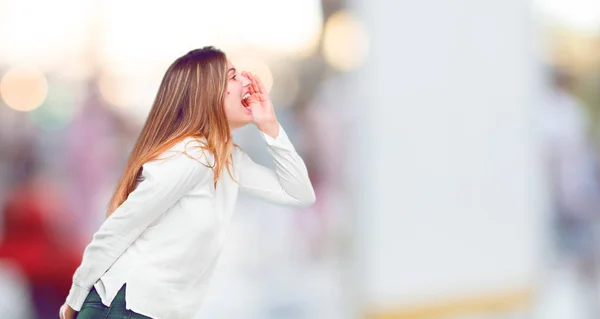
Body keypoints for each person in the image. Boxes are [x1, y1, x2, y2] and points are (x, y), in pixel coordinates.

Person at [59, 46, 316, 319]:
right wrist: (74, 301)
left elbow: (298, 192)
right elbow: (121, 227)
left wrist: (270, 125)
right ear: (207, 93)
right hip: (125, 306)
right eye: (232, 76)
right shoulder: (192, 155)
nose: (245, 81)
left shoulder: (226, 159)